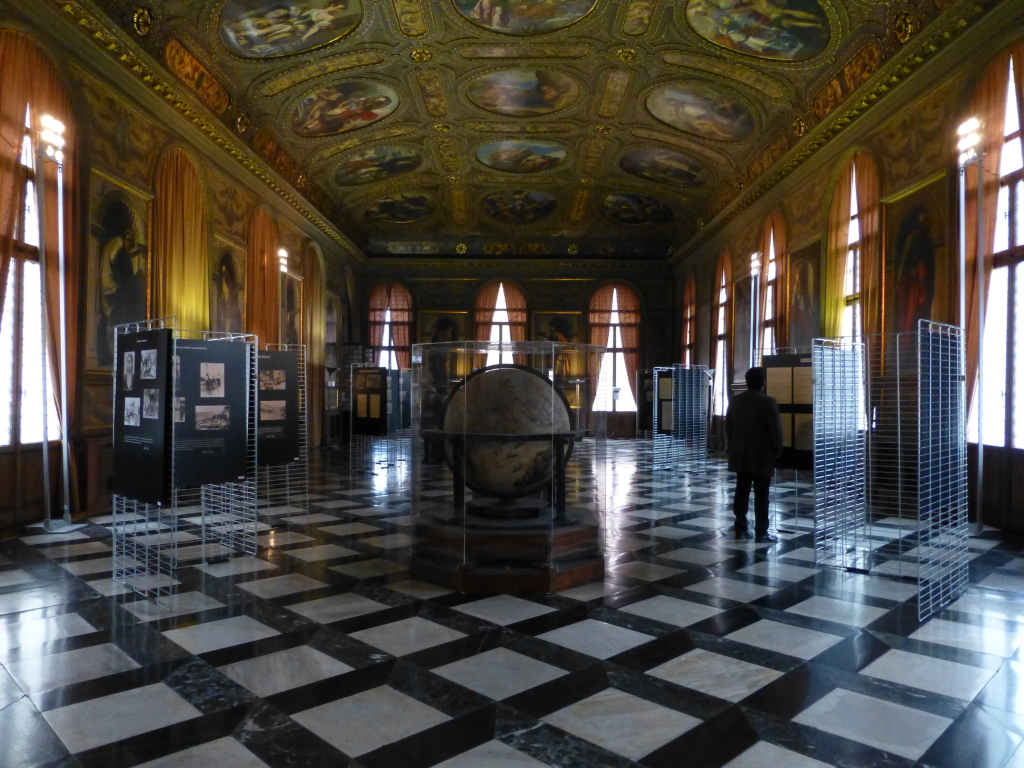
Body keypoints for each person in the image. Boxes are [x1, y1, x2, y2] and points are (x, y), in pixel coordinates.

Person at [725, 366, 783, 542]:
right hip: (761, 455)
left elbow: (729, 426)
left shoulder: (736, 400)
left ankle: (740, 528)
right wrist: (778, 450)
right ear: (763, 382)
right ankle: (761, 531)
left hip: (741, 454)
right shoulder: (769, 402)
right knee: (761, 495)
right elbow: (776, 431)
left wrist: (734, 446)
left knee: (741, 492)